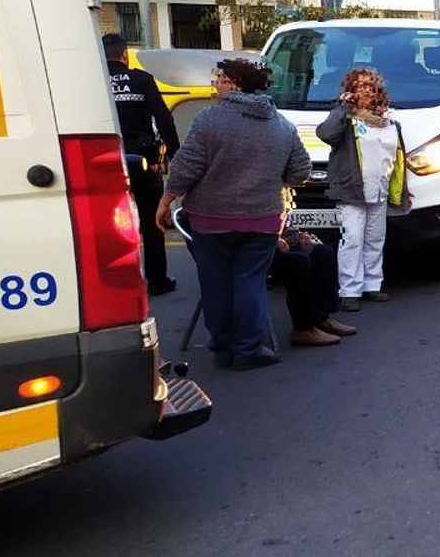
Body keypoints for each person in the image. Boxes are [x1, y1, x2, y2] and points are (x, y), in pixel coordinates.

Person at [156, 59, 310, 371]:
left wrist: (166, 200)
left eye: (221, 78)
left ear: (235, 83)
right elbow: (301, 171)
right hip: (263, 219)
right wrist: (269, 181)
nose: (216, 84)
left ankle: (223, 346)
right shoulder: (281, 125)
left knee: (216, 282)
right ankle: (249, 349)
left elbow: (187, 166)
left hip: (211, 218)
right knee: (249, 282)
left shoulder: (209, 120)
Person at [317, 67, 411, 312]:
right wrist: (341, 107)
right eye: (358, 86)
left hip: (379, 191)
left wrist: (399, 190)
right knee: (353, 239)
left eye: (370, 86)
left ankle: (373, 285)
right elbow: (325, 134)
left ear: (379, 90)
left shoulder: (390, 123)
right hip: (352, 191)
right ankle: (349, 291)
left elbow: (396, 159)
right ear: (350, 91)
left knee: (375, 239)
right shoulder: (346, 120)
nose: (365, 91)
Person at [103, 33, 180, 296]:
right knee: (151, 221)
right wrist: (174, 153)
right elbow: (164, 119)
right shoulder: (141, 79)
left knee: (107, 224)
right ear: (124, 54)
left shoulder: (93, 82)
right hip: (143, 160)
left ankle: (116, 283)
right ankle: (157, 281)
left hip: (106, 161)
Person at [273, 227, 358, 347]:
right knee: (299, 262)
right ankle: (303, 329)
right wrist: (274, 241)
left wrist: (297, 237)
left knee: (324, 252)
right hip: (256, 247)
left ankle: (322, 319)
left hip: (271, 240)